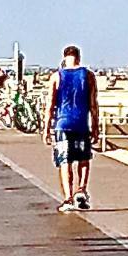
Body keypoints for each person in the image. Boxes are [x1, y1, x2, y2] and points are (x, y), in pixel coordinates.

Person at [48, 44, 98, 209]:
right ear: (79, 57)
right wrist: (96, 126)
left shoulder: (57, 76)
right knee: (84, 158)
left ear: (64, 57)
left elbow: (50, 105)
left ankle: (68, 198)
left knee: (65, 161)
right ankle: (81, 190)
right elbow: (93, 104)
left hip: (63, 123)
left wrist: (46, 127)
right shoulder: (88, 75)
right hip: (81, 122)